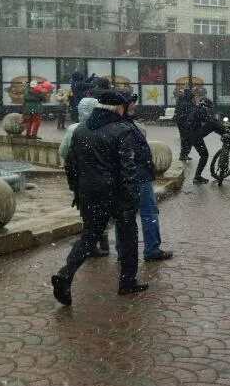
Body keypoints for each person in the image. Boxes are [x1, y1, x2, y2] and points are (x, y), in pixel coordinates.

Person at [51, 89, 147, 306]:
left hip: (89, 192)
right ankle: (127, 281)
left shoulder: (81, 130)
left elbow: (71, 166)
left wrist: (77, 190)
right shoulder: (121, 130)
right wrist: (131, 199)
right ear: (118, 108)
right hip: (117, 194)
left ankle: (66, 274)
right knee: (128, 236)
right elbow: (128, 169)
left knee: (89, 235)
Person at [117, 94, 173, 262]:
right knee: (148, 213)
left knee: (124, 215)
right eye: (131, 103)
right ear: (122, 106)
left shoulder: (120, 124)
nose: (134, 105)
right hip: (138, 177)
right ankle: (152, 249)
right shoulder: (126, 126)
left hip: (127, 176)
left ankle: (123, 251)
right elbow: (133, 154)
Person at [59, 96, 109, 257]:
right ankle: (103, 239)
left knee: (86, 210)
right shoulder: (103, 127)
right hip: (100, 175)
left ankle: (90, 242)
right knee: (102, 209)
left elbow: (63, 152)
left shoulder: (74, 128)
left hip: (80, 176)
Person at [185, 87, 230, 184]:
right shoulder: (203, 111)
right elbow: (212, 123)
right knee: (204, 155)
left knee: (213, 125)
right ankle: (197, 177)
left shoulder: (197, 109)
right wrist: (223, 131)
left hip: (191, 135)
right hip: (195, 135)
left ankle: (197, 176)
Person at [174, 87, 195, 161]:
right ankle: (183, 154)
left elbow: (193, 110)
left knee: (188, 140)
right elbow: (180, 113)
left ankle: (185, 154)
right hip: (184, 123)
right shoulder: (183, 101)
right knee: (186, 140)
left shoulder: (189, 101)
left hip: (188, 123)